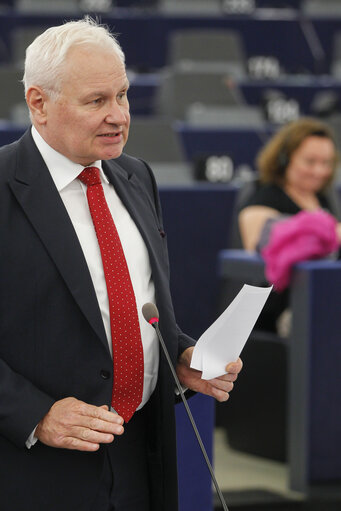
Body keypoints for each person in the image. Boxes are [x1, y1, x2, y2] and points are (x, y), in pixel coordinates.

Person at [0, 17, 242, 511]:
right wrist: (33, 415)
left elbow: (137, 304)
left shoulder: (135, 175)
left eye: (123, 96)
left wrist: (182, 357)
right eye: (97, 101)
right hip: (32, 467)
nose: (119, 116)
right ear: (38, 104)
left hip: (142, 458)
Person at [238, 117, 340, 332]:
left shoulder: (324, 198)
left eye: (326, 163)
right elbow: (262, 242)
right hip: (280, 309)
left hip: (324, 298)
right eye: (310, 162)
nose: (319, 171)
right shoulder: (264, 196)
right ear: (285, 159)